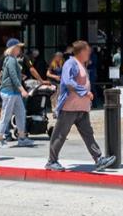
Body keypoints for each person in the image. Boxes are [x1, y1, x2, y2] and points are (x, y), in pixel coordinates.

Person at [46, 40, 116, 172]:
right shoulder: (70, 63)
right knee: (60, 134)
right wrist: (85, 92)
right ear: (81, 52)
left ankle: (98, 158)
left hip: (82, 107)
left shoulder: (80, 64)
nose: (89, 53)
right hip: (69, 107)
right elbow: (67, 81)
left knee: (88, 134)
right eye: (87, 50)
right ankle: (52, 161)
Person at [0, 38, 35, 147]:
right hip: (10, 91)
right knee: (6, 115)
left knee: (20, 113)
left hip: (13, 92)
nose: (20, 49)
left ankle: (22, 137)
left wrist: (20, 77)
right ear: (13, 48)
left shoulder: (11, 59)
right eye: (18, 47)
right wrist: (22, 90)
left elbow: (11, 75)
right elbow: (13, 76)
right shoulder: (11, 60)